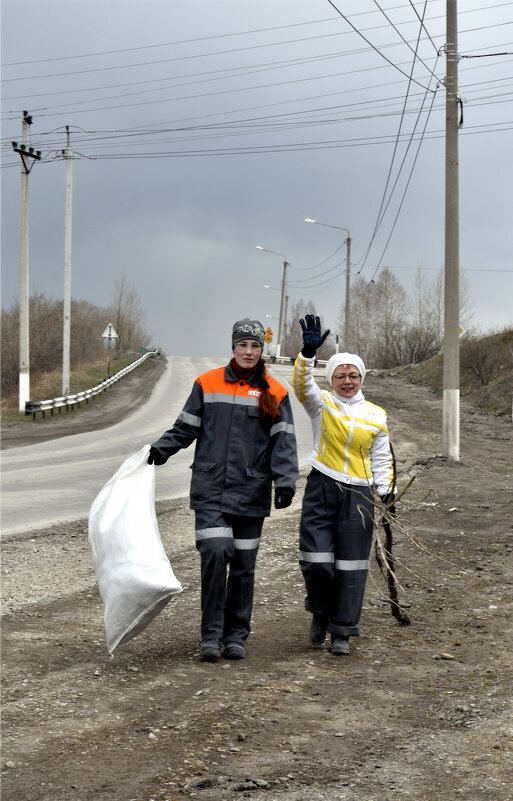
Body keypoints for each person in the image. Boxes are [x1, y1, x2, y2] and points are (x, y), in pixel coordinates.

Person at [148, 318, 298, 662]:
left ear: (262, 350)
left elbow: (284, 441)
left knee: (244, 565)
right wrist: (160, 449)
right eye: (243, 345)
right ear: (233, 347)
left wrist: (285, 481)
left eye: (255, 346)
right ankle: (211, 635)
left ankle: (235, 636)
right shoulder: (207, 383)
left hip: (251, 491)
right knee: (215, 553)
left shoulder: (275, 392)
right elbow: (186, 427)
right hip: (211, 489)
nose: (248, 351)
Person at [292, 314, 394, 656]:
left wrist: (386, 490)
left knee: (352, 565)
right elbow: (301, 385)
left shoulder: (376, 414)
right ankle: (320, 610)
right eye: (340, 375)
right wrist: (307, 354)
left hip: (359, 495)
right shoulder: (322, 404)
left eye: (353, 375)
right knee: (317, 561)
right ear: (331, 379)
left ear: (361, 378)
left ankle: (342, 631)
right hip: (322, 486)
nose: (347, 381)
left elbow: (381, 456)